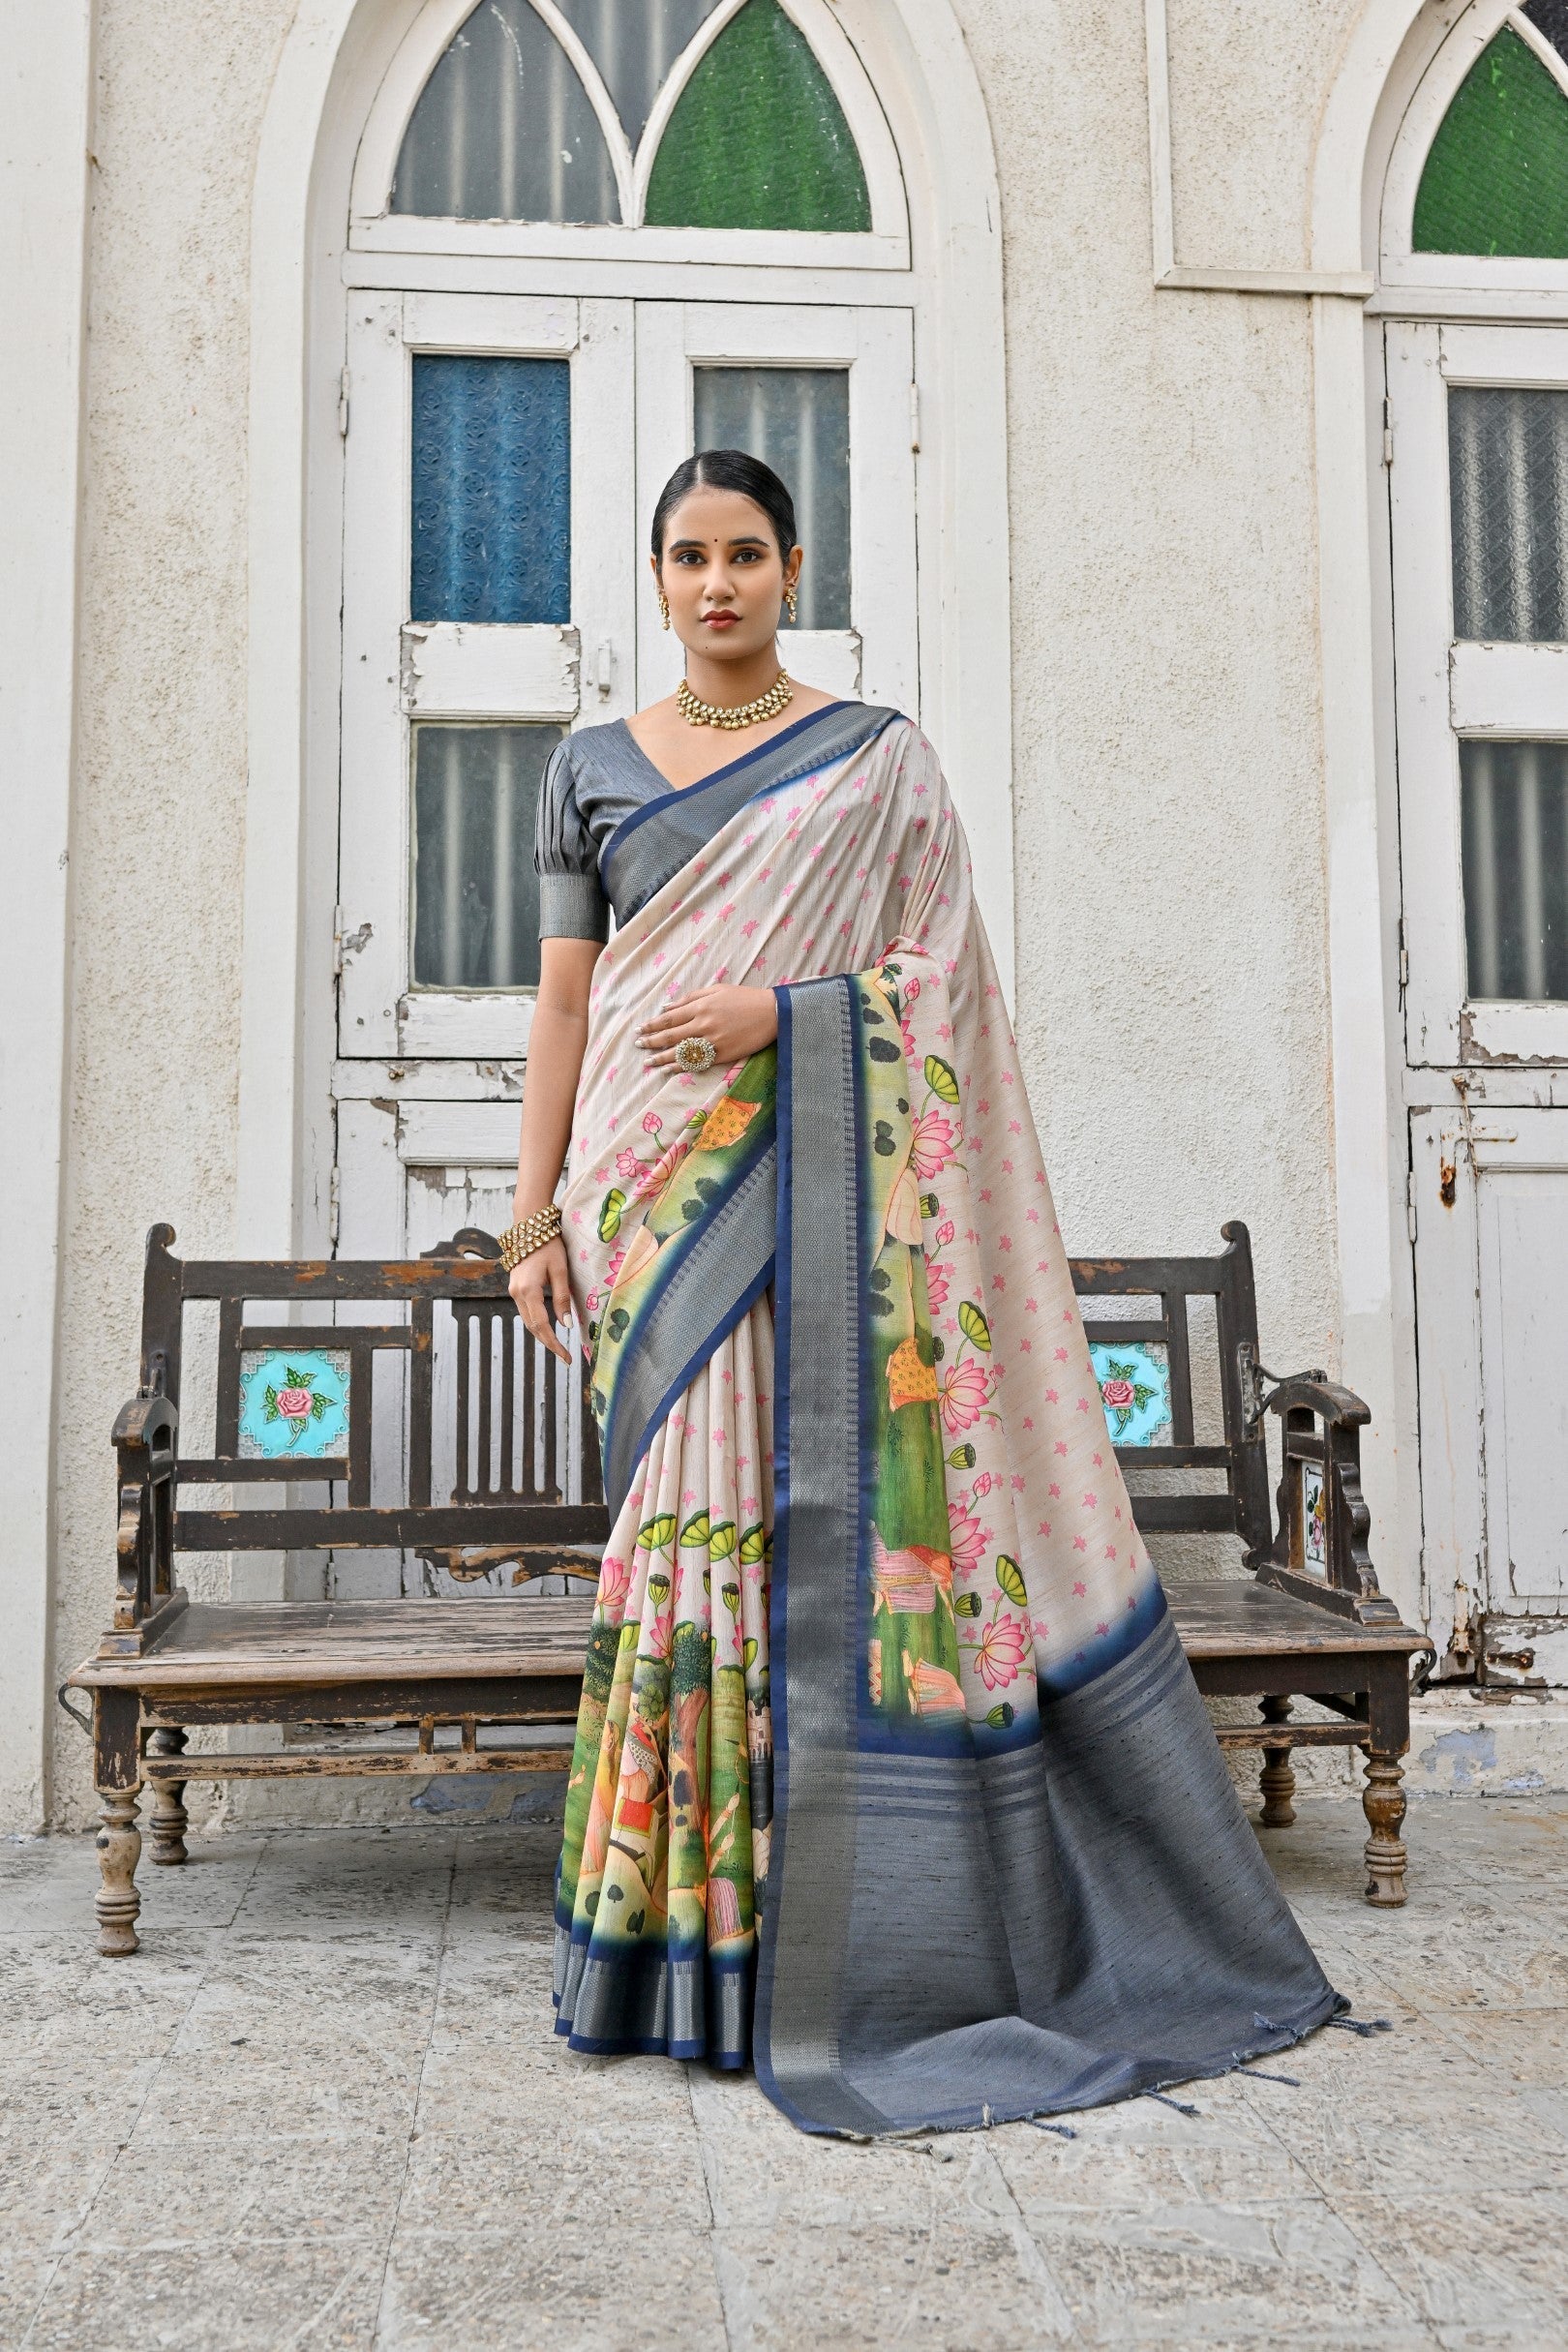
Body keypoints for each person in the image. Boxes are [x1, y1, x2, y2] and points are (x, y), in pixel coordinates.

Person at [504, 447, 1339, 2137]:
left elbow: (936, 975)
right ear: (655, 577)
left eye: (745, 553)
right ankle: (665, 1936)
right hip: (648, 1193)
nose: (716, 582)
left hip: (816, 1190)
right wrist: (530, 1223)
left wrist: (779, 1017)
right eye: (687, 556)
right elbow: (566, 1008)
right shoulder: (586, 767)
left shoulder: (879, 763)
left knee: (806, 1534)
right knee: (686, 1528)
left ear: (792, 569)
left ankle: (791, 1950)